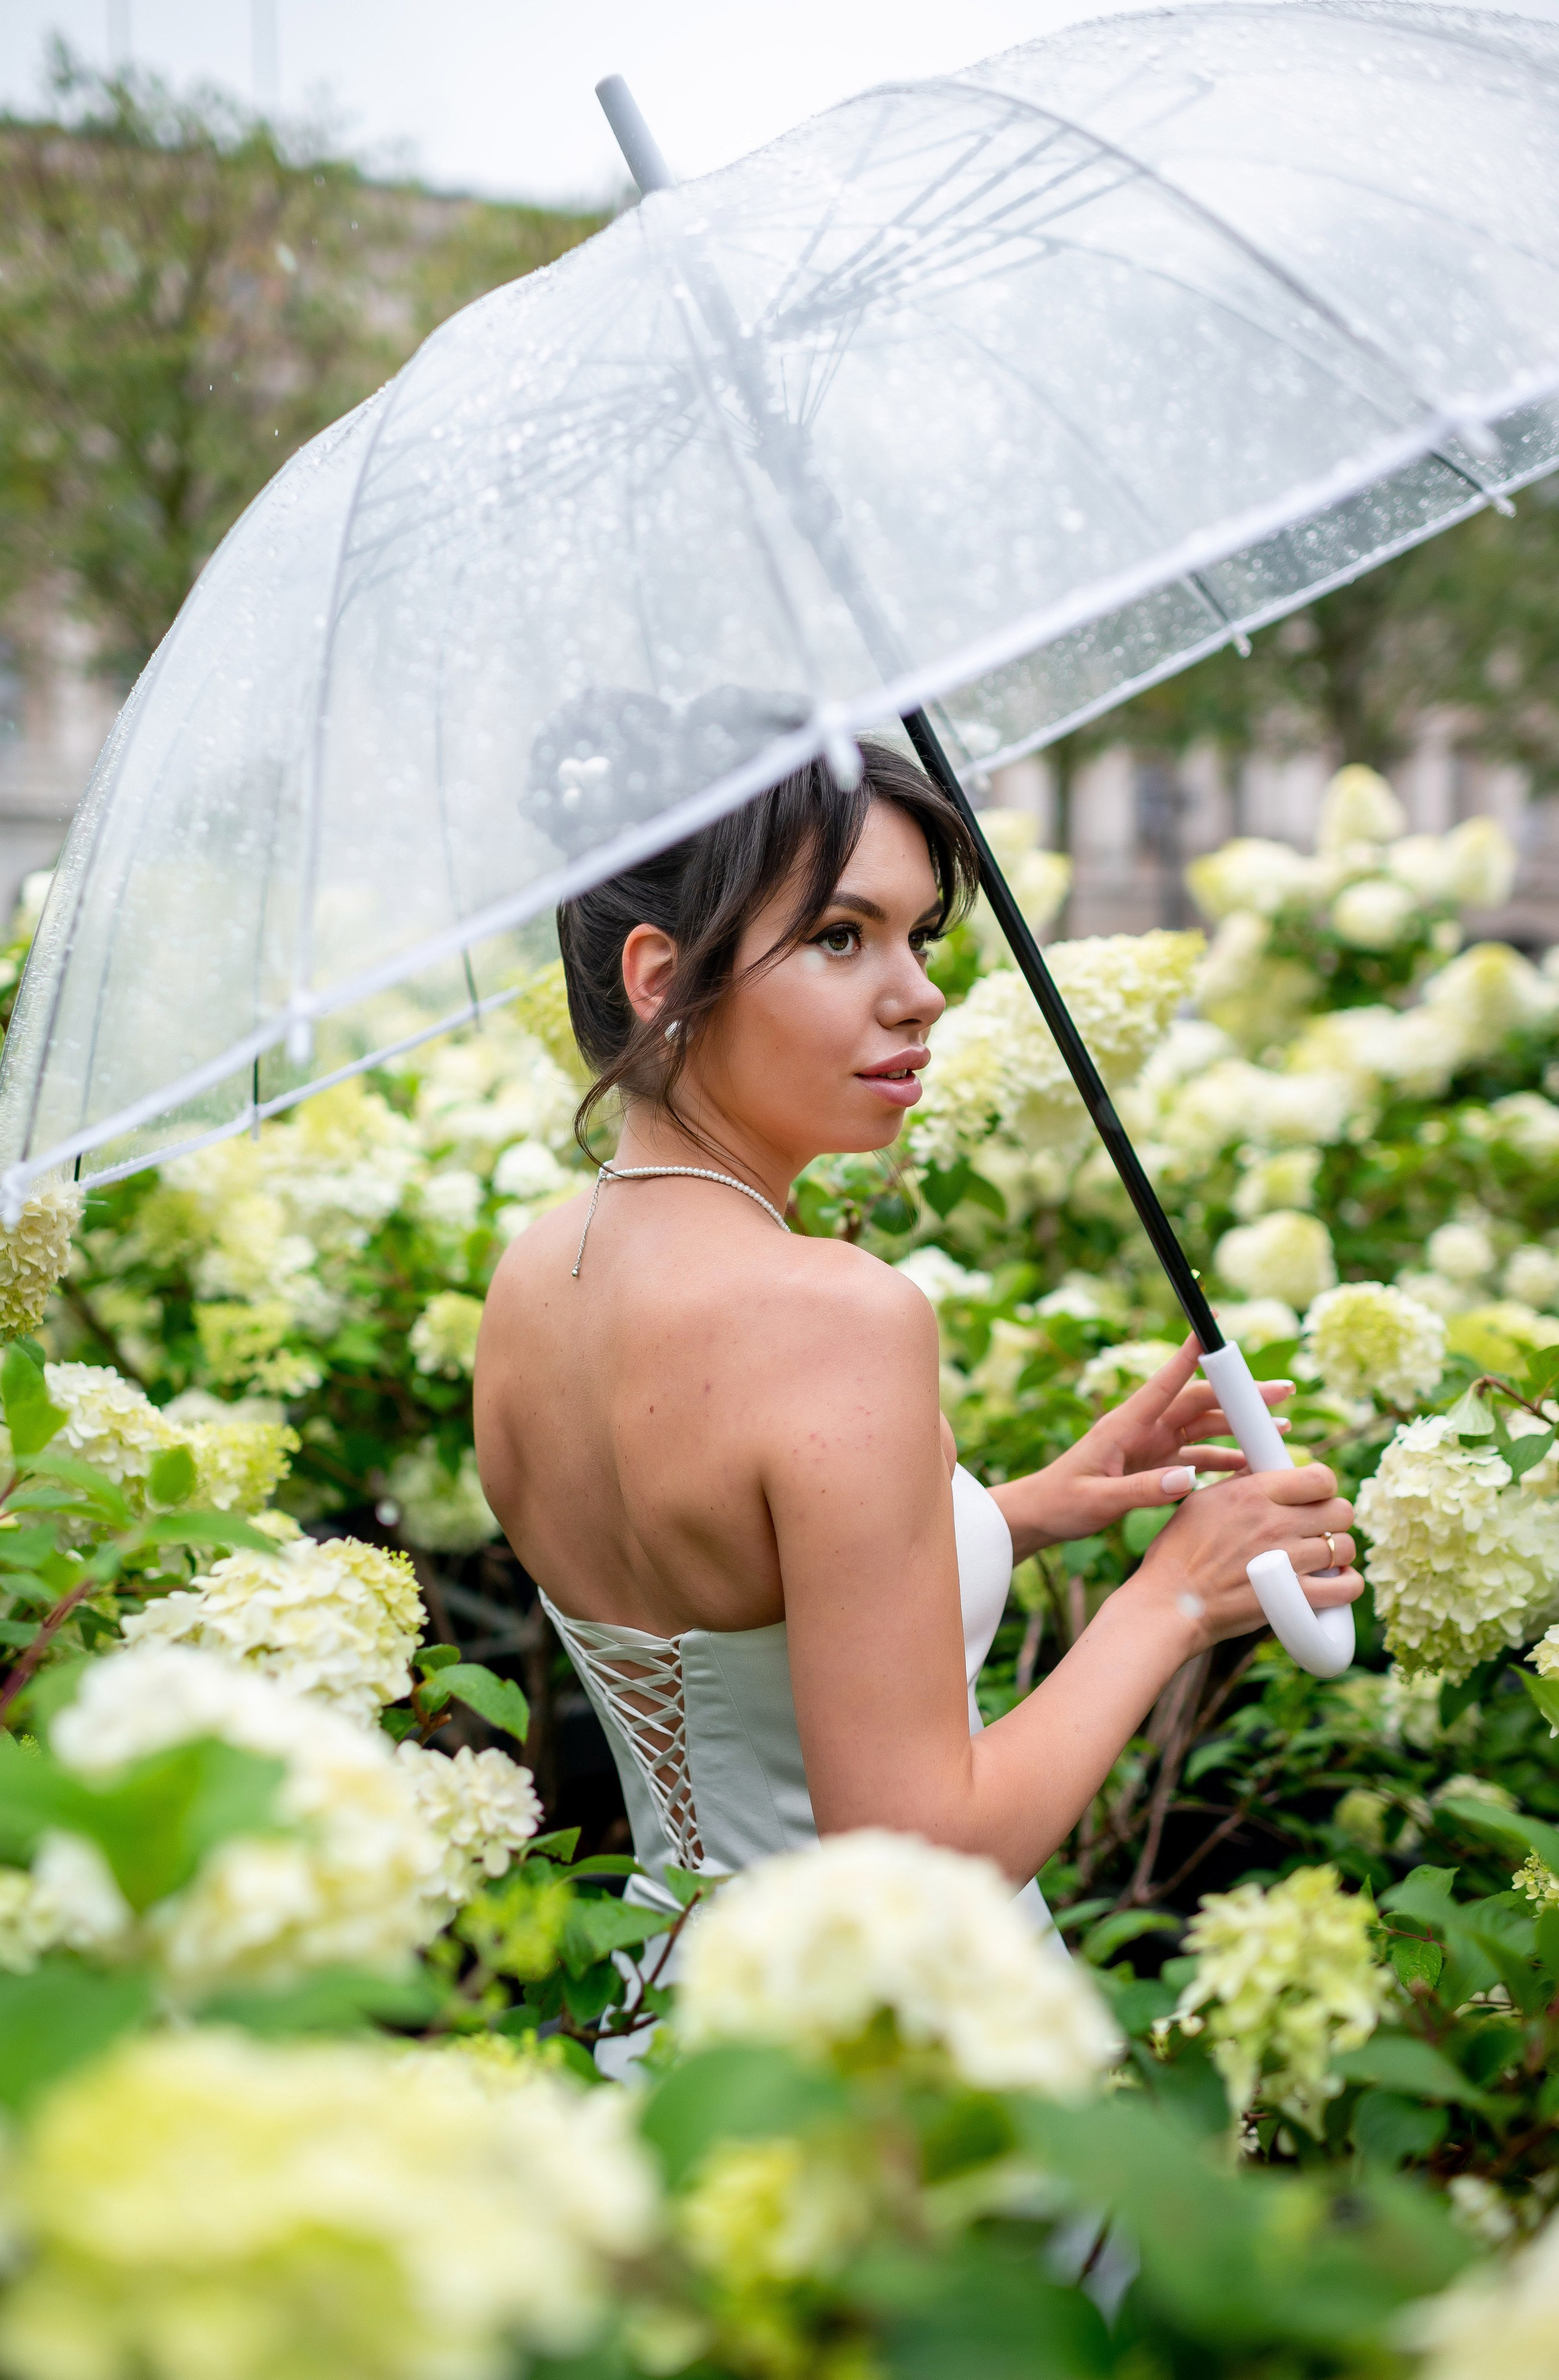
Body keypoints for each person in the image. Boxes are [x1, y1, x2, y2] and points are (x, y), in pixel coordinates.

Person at [472, 733, 1360, 1941]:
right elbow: (912, 1853)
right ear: (658, 974)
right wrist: (1175, 1593)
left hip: (665, 2025)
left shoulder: (532, 1279)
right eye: (842, 936)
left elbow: (735, 1597)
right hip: (891, 2060)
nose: (920, 992)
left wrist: (1030, 1506)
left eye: (920, 933)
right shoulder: (834, 1316)